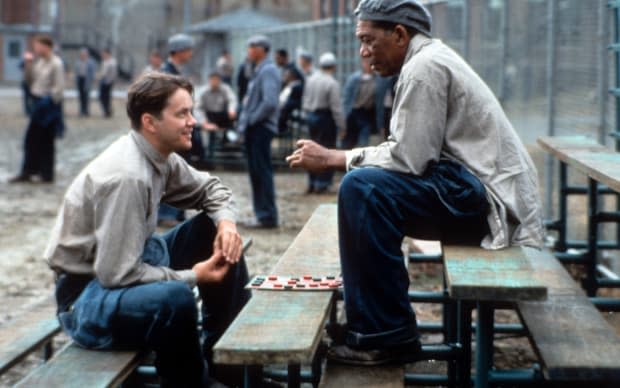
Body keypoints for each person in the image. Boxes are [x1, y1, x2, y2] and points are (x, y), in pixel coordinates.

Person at [286, 0, 544, 365]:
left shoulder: (424, 68)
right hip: (473, 190)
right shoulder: (426, 59)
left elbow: (410, 159)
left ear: (400, 34)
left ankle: (386, 336)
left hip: (489, 205)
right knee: (366, 190)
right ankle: (372, 324)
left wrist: (336, 157)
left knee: (363, 190)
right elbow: (415, 158)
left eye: (368, 40)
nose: (363, 51)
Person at [45, 72, 250, 386]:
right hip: (86, 298)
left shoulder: (157, 154)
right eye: (182, 114)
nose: (193, 121)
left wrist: (226, 225)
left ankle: (227, 365)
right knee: (176, 299)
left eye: (191, 111)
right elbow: (117, 275)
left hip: (131, 262)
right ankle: (193, 382)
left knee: (213, 232)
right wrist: (195, 275)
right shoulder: (128, 178)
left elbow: (211, 189)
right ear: (150, 122)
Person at [159, 33, 204, 226]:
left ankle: (176, 212)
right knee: (170, 171)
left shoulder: (175, 71)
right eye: (188, 50)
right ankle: (167, 213)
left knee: (179, 171)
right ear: (179, 52)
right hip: (172, 128)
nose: (190, 54)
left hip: (180, 126)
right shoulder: (166, 73)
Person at [237, 35, 280, 229]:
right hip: (255, 128)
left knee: (261, 172)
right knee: (256, 172)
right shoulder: (259, 69)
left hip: (261, 128)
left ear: (262, 49)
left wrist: (252, 119)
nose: (249, 50)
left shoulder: (268, 70)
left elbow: (269, 102)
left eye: (252, 47)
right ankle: (262, 215)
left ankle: (267, 216)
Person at [9, 35, 64, 184]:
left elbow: (58, 89)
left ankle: (46, 174)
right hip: (37, 103)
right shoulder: (39, 62)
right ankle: (29, 171)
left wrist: (48, 102)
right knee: (31, 140)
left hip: (48, 107)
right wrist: (27, 64)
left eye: (38, 46)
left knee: (46, 141)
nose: (35, 49)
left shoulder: (56, 63)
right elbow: (30, 81)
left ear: (46, 46)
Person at [301, 52, 345, 194]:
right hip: (326, 118)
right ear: (333, 66)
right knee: (326, 151)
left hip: (311, 116)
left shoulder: (311, 79)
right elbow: (336, 108)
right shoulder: (332, 83)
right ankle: (322, 182)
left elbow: (305, 100)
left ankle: (312, 182)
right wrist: (342, 126)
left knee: (310, 150)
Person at [342, 58, 382, 148]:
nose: (368, 65)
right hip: (354, 113)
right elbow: (346, 99)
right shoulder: (354, 79)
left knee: (364, 141)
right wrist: (344, 119)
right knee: (349, 141)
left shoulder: (378, 79)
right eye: (366, 62)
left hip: (368, 113)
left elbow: (379, 100)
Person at [278, 65, 304, 134]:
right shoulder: (288, 85)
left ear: (292, 76)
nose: (285, 76)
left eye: (287, 74)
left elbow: (291, 102)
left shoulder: (297, 86)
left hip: (287, 111)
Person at [74, 48, 96, 117]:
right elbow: (76, 72)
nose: (83, 55)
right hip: (80, 80)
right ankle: (81, 110)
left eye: (84, 54)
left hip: (86, 80)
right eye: (81, 54)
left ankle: (86, 111)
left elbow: (92, 72)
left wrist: (91, 80)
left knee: (86, 96)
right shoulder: (78, 62)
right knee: (80, 96)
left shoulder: (90, 62)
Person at [98, 48, 117, 118]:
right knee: (102, 97)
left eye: (104, 54)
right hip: (103, 81)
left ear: (108, 54)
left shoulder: (112, 62)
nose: (102, 55)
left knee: (106, 97)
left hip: (108, 82)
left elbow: (113, 74)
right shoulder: (104, 62)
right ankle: (106, 110)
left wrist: (110, 81)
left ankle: (107, 111)